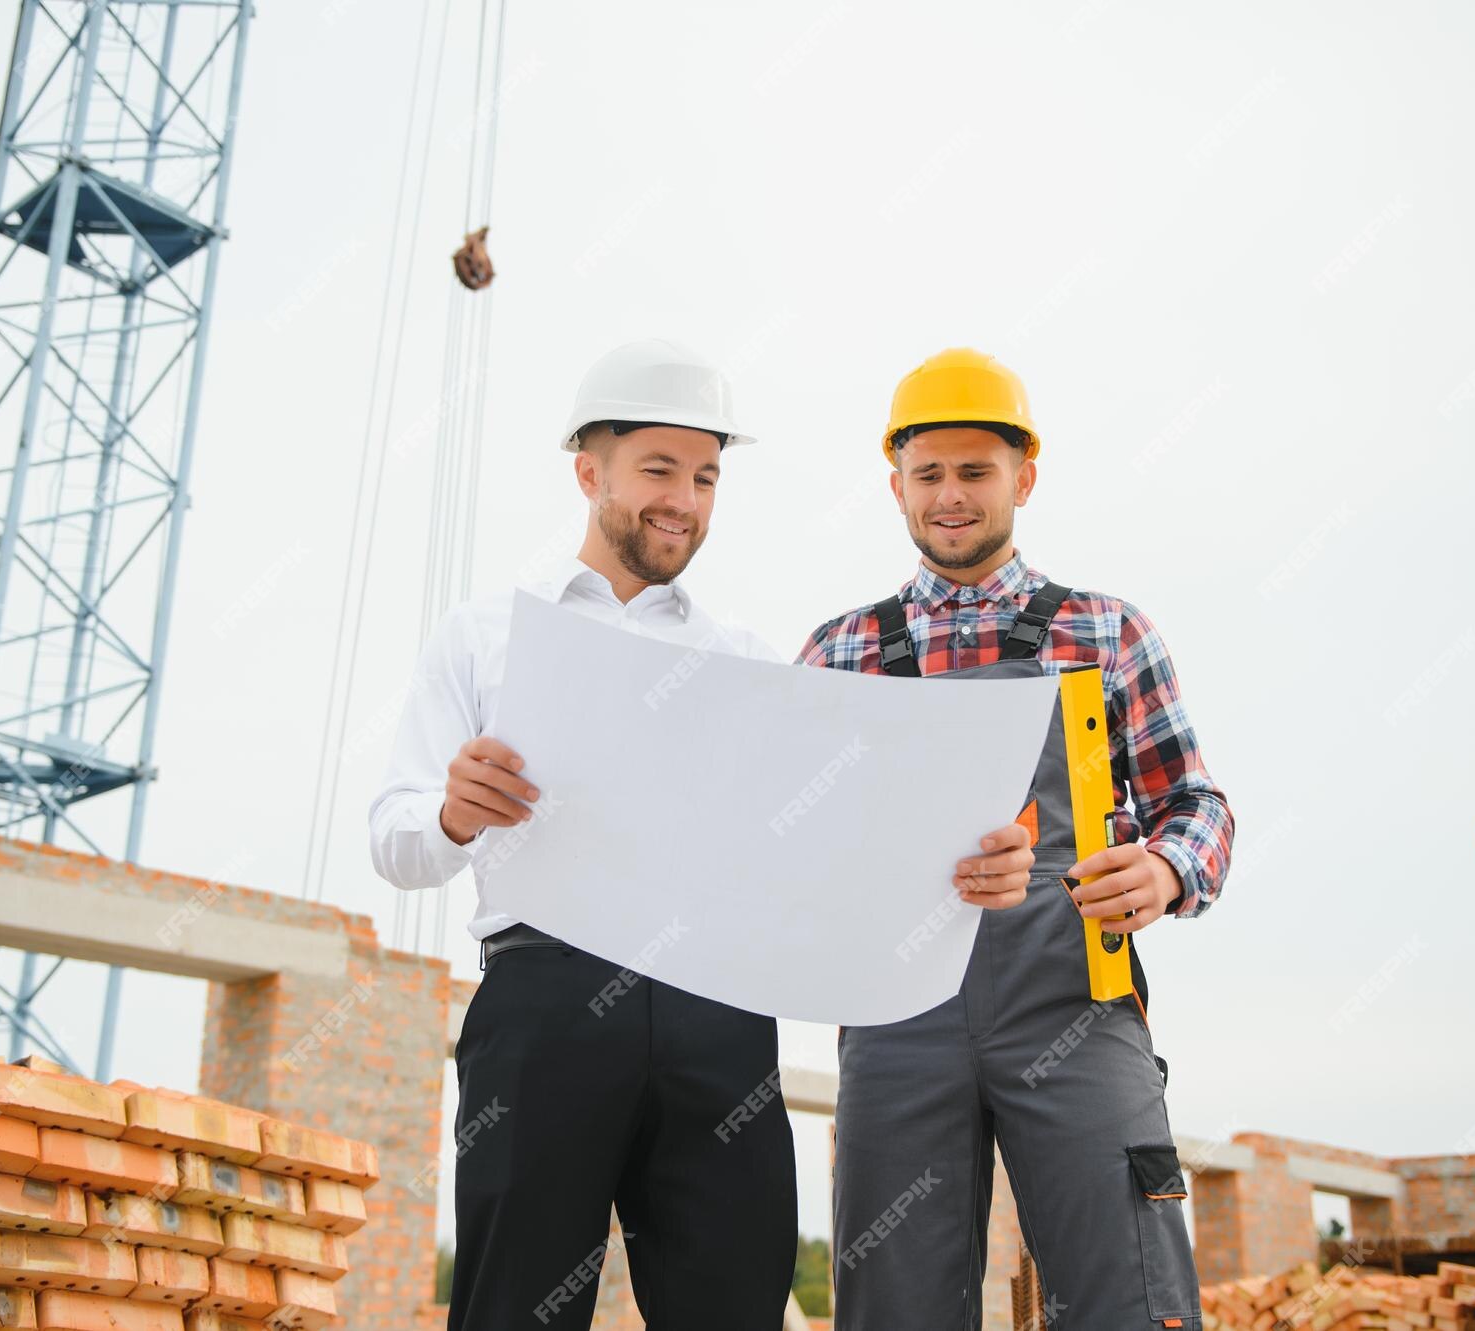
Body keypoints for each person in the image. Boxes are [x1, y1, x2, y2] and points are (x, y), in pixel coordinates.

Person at [369, 339, 1045, 1328]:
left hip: (717, 1011)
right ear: (586, 470)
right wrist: (451, 809)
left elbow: (827, 852)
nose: (681, 499)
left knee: (731, 1297)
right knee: (514, 1302)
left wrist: (964, 870)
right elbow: (396, 839)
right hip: (543, 1004)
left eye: (704, 476)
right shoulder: (484, 634)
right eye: (656, 469)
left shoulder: (743, 662)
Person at [798, 347, 1236, 1331]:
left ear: (1022, 478)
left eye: (974, 470)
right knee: (892, 1303)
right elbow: (792, 850)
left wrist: (1166, 868)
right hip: (894, 1020)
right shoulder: (837, 654)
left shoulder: (1106, 630)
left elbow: (1196, 804)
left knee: (1127, 1292)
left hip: (1076, 1008)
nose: (950, 494)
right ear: (896, 487)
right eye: (928, 473)